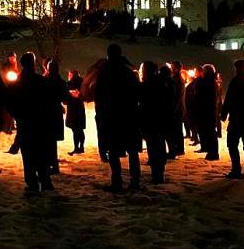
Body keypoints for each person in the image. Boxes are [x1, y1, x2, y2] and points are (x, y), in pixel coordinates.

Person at [95, 44, 142, 192]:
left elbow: (99, 95)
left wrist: (101, 113)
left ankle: (117, 181)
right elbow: (137, 93)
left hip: (112, 116)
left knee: (114, 150)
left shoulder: (105, 72)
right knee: (132, 151)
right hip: (128, 116)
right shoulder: (128, 73)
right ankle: (134, 181)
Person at [7, 52, 56, 193]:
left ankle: (32, 182)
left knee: (28, 155)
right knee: (41, 153)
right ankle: (45, 180)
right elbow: (49, 100)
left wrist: (18, 115)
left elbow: (9, 102)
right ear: (33, 63)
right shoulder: (40, 81)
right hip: (40, 122)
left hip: (26, 123)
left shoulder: (18, 82)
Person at [139, 61, 173, 184]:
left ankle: (157, 174)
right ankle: (159, 172)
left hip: (151, 119)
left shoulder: (149, 83)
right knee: (159, 145)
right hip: (160, 119)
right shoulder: (161, 82)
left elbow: (141, 99)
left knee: (154, 146)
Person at [44, 59, 68, 174]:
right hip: (56, 113)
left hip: (46, 113)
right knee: (52, 141)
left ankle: (50, 164)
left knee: (47, 140)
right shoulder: (61, 82)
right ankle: (54, 164)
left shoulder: (45, 81)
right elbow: (65, 99)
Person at [196, 64, 220, 160]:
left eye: (204, 70)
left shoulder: (208, 82)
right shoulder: (210, 81)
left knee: (210, 132)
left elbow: (204, 96)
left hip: (207, 110)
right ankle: (211, 151)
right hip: (207, 109)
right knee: (208, 131)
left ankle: (213, 152)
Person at [66, 69, 86, 155]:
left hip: (73, 108)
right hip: (80, 107)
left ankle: (76, 147)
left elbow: (66, 96)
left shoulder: (69, 84)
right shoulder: (83, 83)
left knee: (75, 129)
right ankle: (81, 146)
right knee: (80, 129)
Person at [170, 61, 186, 157]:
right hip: (179, 107)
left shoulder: (177, 79)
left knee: (177, 129)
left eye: (172, 67)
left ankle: (179, 148)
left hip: (177, 108)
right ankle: (179, 148)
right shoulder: (177, 78)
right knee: (177, 129)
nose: (171, 68)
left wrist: (175, 107)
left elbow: (178, 95)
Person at [185, 67, 202, 148]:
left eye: (195, 71)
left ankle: (198, 140)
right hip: (191, 106)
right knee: (192, 124)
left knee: (195, 124)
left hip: (194, 106)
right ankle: (195, 139)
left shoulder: (198, 81)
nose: (194, 73)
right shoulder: (195, 81)